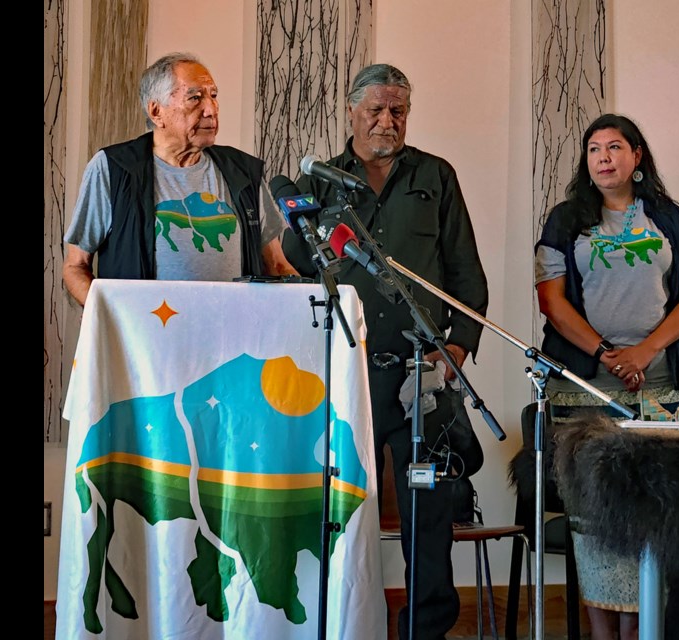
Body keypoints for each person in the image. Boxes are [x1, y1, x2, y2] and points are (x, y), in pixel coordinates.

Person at [283, 63, 489, 640]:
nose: (386, 120)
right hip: (344, 373)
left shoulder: (435, 176)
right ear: (351, 112)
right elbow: (301, 271)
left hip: (420, 377)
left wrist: (456, 351)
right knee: (337, 510)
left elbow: (467, 277)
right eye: (375, 109)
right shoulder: (321, 183)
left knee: (430, 513)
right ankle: (338, 623)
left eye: (397, 110)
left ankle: (425, 630)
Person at [534, 113, 679, 640]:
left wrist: (645, 351)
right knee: (594, 526)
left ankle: (645, 632)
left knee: (655, 525)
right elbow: (552, 304)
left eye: (614, 147)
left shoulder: (670, 218)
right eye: (593, 149)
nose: (603, 157)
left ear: (636, 157)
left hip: (662, 394)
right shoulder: (565, 220)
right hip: (583, 392)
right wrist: (608, 354)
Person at [62, 52, 297, 305]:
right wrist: (115, 320)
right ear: (156, 111)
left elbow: (276, 264)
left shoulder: (243, 172)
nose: (211, 109)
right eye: (195, 98)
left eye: (213, 96)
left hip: (232, 336)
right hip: (147, 337)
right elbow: (75, 266)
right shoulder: (114, 168)